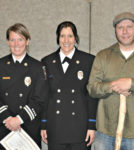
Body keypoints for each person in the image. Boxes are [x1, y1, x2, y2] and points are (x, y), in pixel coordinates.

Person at [87, 12, 134, 150]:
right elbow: (92, 88)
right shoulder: (103, 56)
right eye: (120, 27)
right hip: (105, 133)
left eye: (129, 27)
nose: (125, 31)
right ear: (115, 30)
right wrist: (112, 86)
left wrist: (132, 84)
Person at [41, 21, 97, 150]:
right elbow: (45, 95)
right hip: (55, 126)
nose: (66, 40)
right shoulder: (47, 61)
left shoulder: (88, 60)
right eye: (62, 36)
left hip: (80, 127)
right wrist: (43, 125)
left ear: (75, 38)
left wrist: (91, 126)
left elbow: (92, 96)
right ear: (57, 38)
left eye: (70, 36)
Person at [0, 23, 47, 149]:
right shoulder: (1, 65)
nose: (16, 44)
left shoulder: (38, 67)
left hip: (28, 127)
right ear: (8, 42)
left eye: (20, 39)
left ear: (27, 41)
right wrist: (8, 119)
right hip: (4, 126)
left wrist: (19, 120)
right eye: (12, 40)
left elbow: (39, 99)